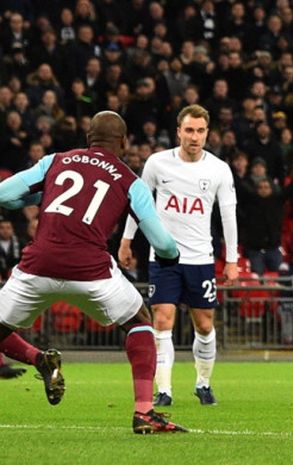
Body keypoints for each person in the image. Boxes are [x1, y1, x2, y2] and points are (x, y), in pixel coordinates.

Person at [0, 111, 186, 433]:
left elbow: (4, 195)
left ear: (88, 140)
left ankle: (38, 359)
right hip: (91, 272)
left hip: (38, 265)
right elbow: (162, 242)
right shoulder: (130, 180)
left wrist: (40, 198)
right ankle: (144, 413)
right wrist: (172, 257)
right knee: (139, 321)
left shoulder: (56, 161)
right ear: (124, 143)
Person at [119, 104, 239, 407]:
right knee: (162, 319)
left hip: (200, 258)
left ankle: (203, 383)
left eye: (200, 131)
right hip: (164, 257)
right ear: (178, 132)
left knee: (204, 325)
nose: (194, 136)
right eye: (189, 130)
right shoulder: (158, 164)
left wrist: (233, 259)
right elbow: (139, 203)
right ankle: (164, 390)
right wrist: (126, 240)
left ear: (207, 133)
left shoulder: (218, 169)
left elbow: (228, 215)